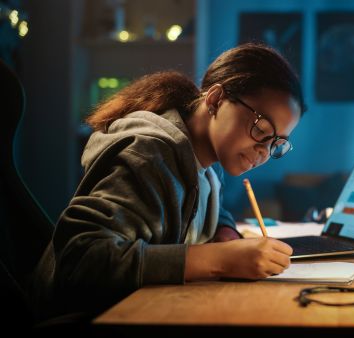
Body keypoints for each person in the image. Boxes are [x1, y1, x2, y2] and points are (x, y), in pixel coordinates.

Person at [33, 43, 307, 319]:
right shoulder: (148, 155)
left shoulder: (211, 163)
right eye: (261, 129)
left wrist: (225, 233)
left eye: (277, 143)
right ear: (215, 100)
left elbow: (204, 205)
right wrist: (221, 260)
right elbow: (81, 260)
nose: (264, 151)